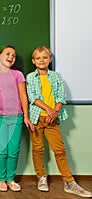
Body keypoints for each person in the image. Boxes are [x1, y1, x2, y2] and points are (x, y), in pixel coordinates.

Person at [26, 46, 92, 198]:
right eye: (38, 58)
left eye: (44, 57)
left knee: (59, 150)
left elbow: (61, 97)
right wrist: (48, 110)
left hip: (52, 118)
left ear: (50, 59)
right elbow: (33, 97)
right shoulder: (30, 77)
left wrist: (54, 112)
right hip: (37, 118)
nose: (41, 60)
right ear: (33, 61)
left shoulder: (56, 76)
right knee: (38, 149)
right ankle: (41, 177)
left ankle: (69, 181)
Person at [0, 45, 35, 192]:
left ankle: (10, 179)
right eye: (7, 54)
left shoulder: (18, 75)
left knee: (14, 149)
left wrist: (26, 116)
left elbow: (23, 96)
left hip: (16, 117)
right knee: (2, 149)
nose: (10, 57)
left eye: (13, 56)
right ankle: (1, 179)